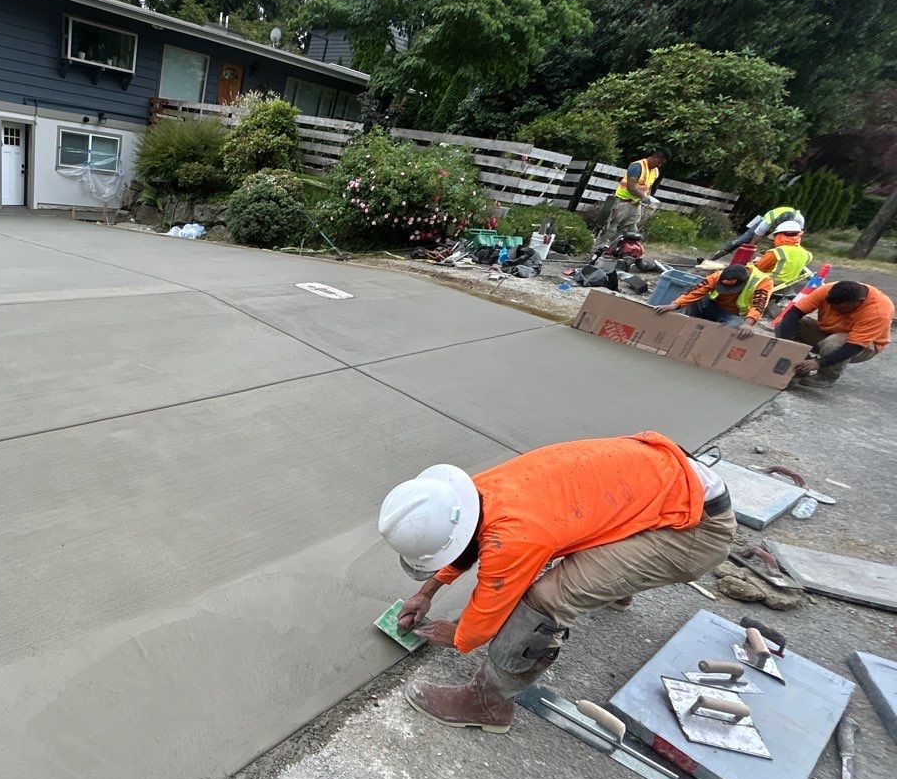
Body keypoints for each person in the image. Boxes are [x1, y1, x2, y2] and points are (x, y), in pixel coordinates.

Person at [377, 433, 735, 733]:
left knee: (545, 599)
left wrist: (457, 637)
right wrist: (427, 591)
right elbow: (470, 537)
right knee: (584, 524)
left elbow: (484, 618)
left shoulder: (515, 537)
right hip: (662, 485)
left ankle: (487, 703)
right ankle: (619, 583)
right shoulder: (473, 491)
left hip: (695, 530)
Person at [774, 279, 892, 386]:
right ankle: (800, 364)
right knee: (783, 326)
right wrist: (789, 346)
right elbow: (794, 313)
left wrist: (819, 362)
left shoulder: (878, 311)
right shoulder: (827, 290)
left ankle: (827, 376)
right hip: (829, 332)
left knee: (833, 344)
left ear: (859, 302)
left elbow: (854, 347)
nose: (834, 311)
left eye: (840, 309)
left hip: (863, 347)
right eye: (832, 307)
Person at [652, 262, 772, 337]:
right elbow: (696, 291)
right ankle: (691, 329)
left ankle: (710, 341)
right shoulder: (717, 276)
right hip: (713, 307)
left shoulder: (762, 282)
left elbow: (759, 304)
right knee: (698, 299)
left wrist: (748, 323)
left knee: (736, 328)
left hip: (733, 315)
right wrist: (674, 305)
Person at [598, 150, 668, 245]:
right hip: (622, 201)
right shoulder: (637, 166)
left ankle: (621, 250)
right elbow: (631, 186)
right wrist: (643, 197)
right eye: (659, 162)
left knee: (632, 229)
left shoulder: (655, 171)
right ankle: (599, 248)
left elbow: (649, 186)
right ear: (654, 156)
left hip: (636, 203)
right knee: (612, 226)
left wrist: (647, 198)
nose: (659, 165)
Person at [711, 205, 805, 261]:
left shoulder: (799, 220)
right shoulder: (767, 221)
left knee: (783, 244)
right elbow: (757, 235)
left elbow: (796, 236)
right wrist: (750, 248)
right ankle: (713, 257)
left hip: (788, 229)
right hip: (766, 221)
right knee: (743, 240)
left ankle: (770, 260)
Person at [747, 223, 813, 300]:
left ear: (780, 236)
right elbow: (789, 265)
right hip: (786, 288)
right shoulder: (807, 254)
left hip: (767, 286)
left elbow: (759, 269)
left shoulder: (775, 252)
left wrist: (753, 263)